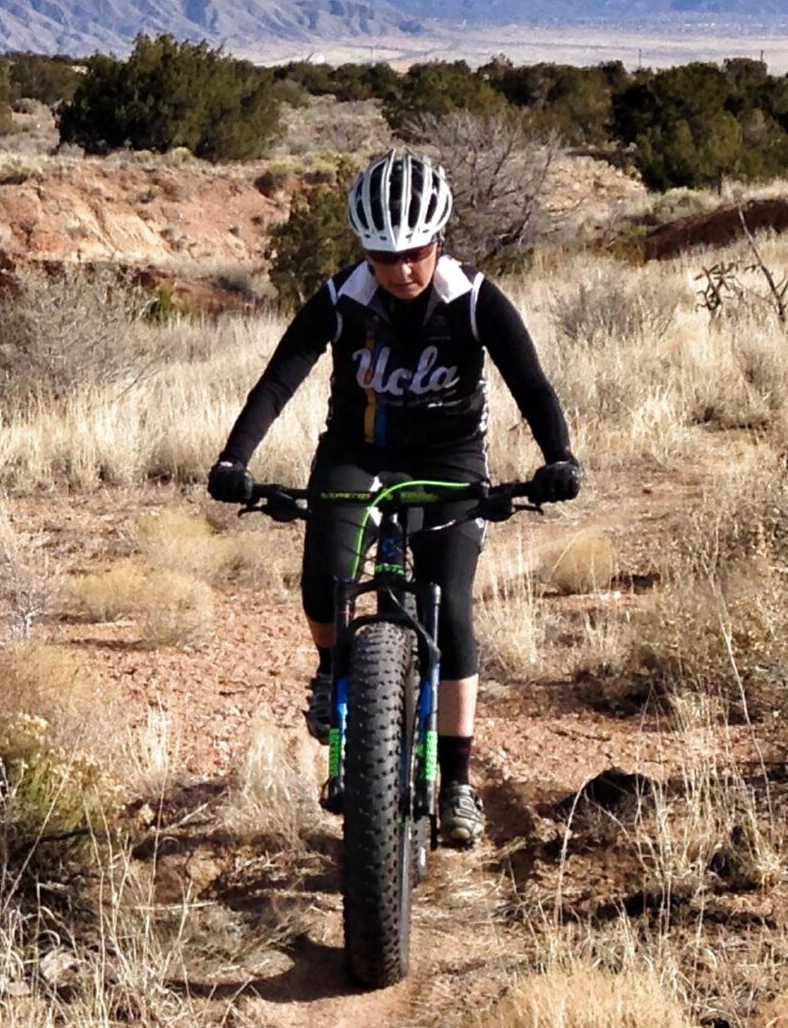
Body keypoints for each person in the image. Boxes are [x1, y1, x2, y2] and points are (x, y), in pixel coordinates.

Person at [205, 149, 580, 849]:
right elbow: (279, 379)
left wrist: (559, 458)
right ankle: (331, 671)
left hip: (449, 459)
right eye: (382, 256)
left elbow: (533, 385)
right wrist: (236, 457)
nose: (399, 269)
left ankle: (458, 783)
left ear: (438, 240)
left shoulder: (473, 301)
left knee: (454, 610)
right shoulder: (342, 299)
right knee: (325, 579)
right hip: (357, 453)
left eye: (412, 253)